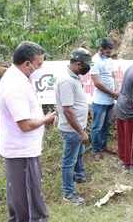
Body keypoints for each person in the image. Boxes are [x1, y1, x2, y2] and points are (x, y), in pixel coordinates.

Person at [0, 41, 56, 222]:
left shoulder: (18, 78)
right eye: (38, 64)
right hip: (21, 151)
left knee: (21, 199)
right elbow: (25, 125)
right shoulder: (15, 85)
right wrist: (46, 119)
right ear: (27, 63)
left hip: (22, 149)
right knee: (30, 203)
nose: (39, 68)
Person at [55, 48, 92, 205]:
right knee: (69, 161)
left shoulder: (74, 77)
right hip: (72, 130)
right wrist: (80, 132)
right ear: (78, 64)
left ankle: (79, 176)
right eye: (86, 65)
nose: (87, 68)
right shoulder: (66, 81)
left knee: (78, 154)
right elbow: (68, 111)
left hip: (77, 127)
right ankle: (68, 194)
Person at [90, 38, 118, 161]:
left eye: (110, 52)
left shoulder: (109, 59)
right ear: (101, 48)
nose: (109, 54)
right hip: (100, 101)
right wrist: (112, 93)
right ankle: (95, 150)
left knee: (106, 125)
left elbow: (113, 76)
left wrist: (116, 89)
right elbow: (97, 83)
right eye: (107, 52)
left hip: (110, 101)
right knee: (97, 127)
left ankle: (103, 146)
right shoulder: (94, 61)